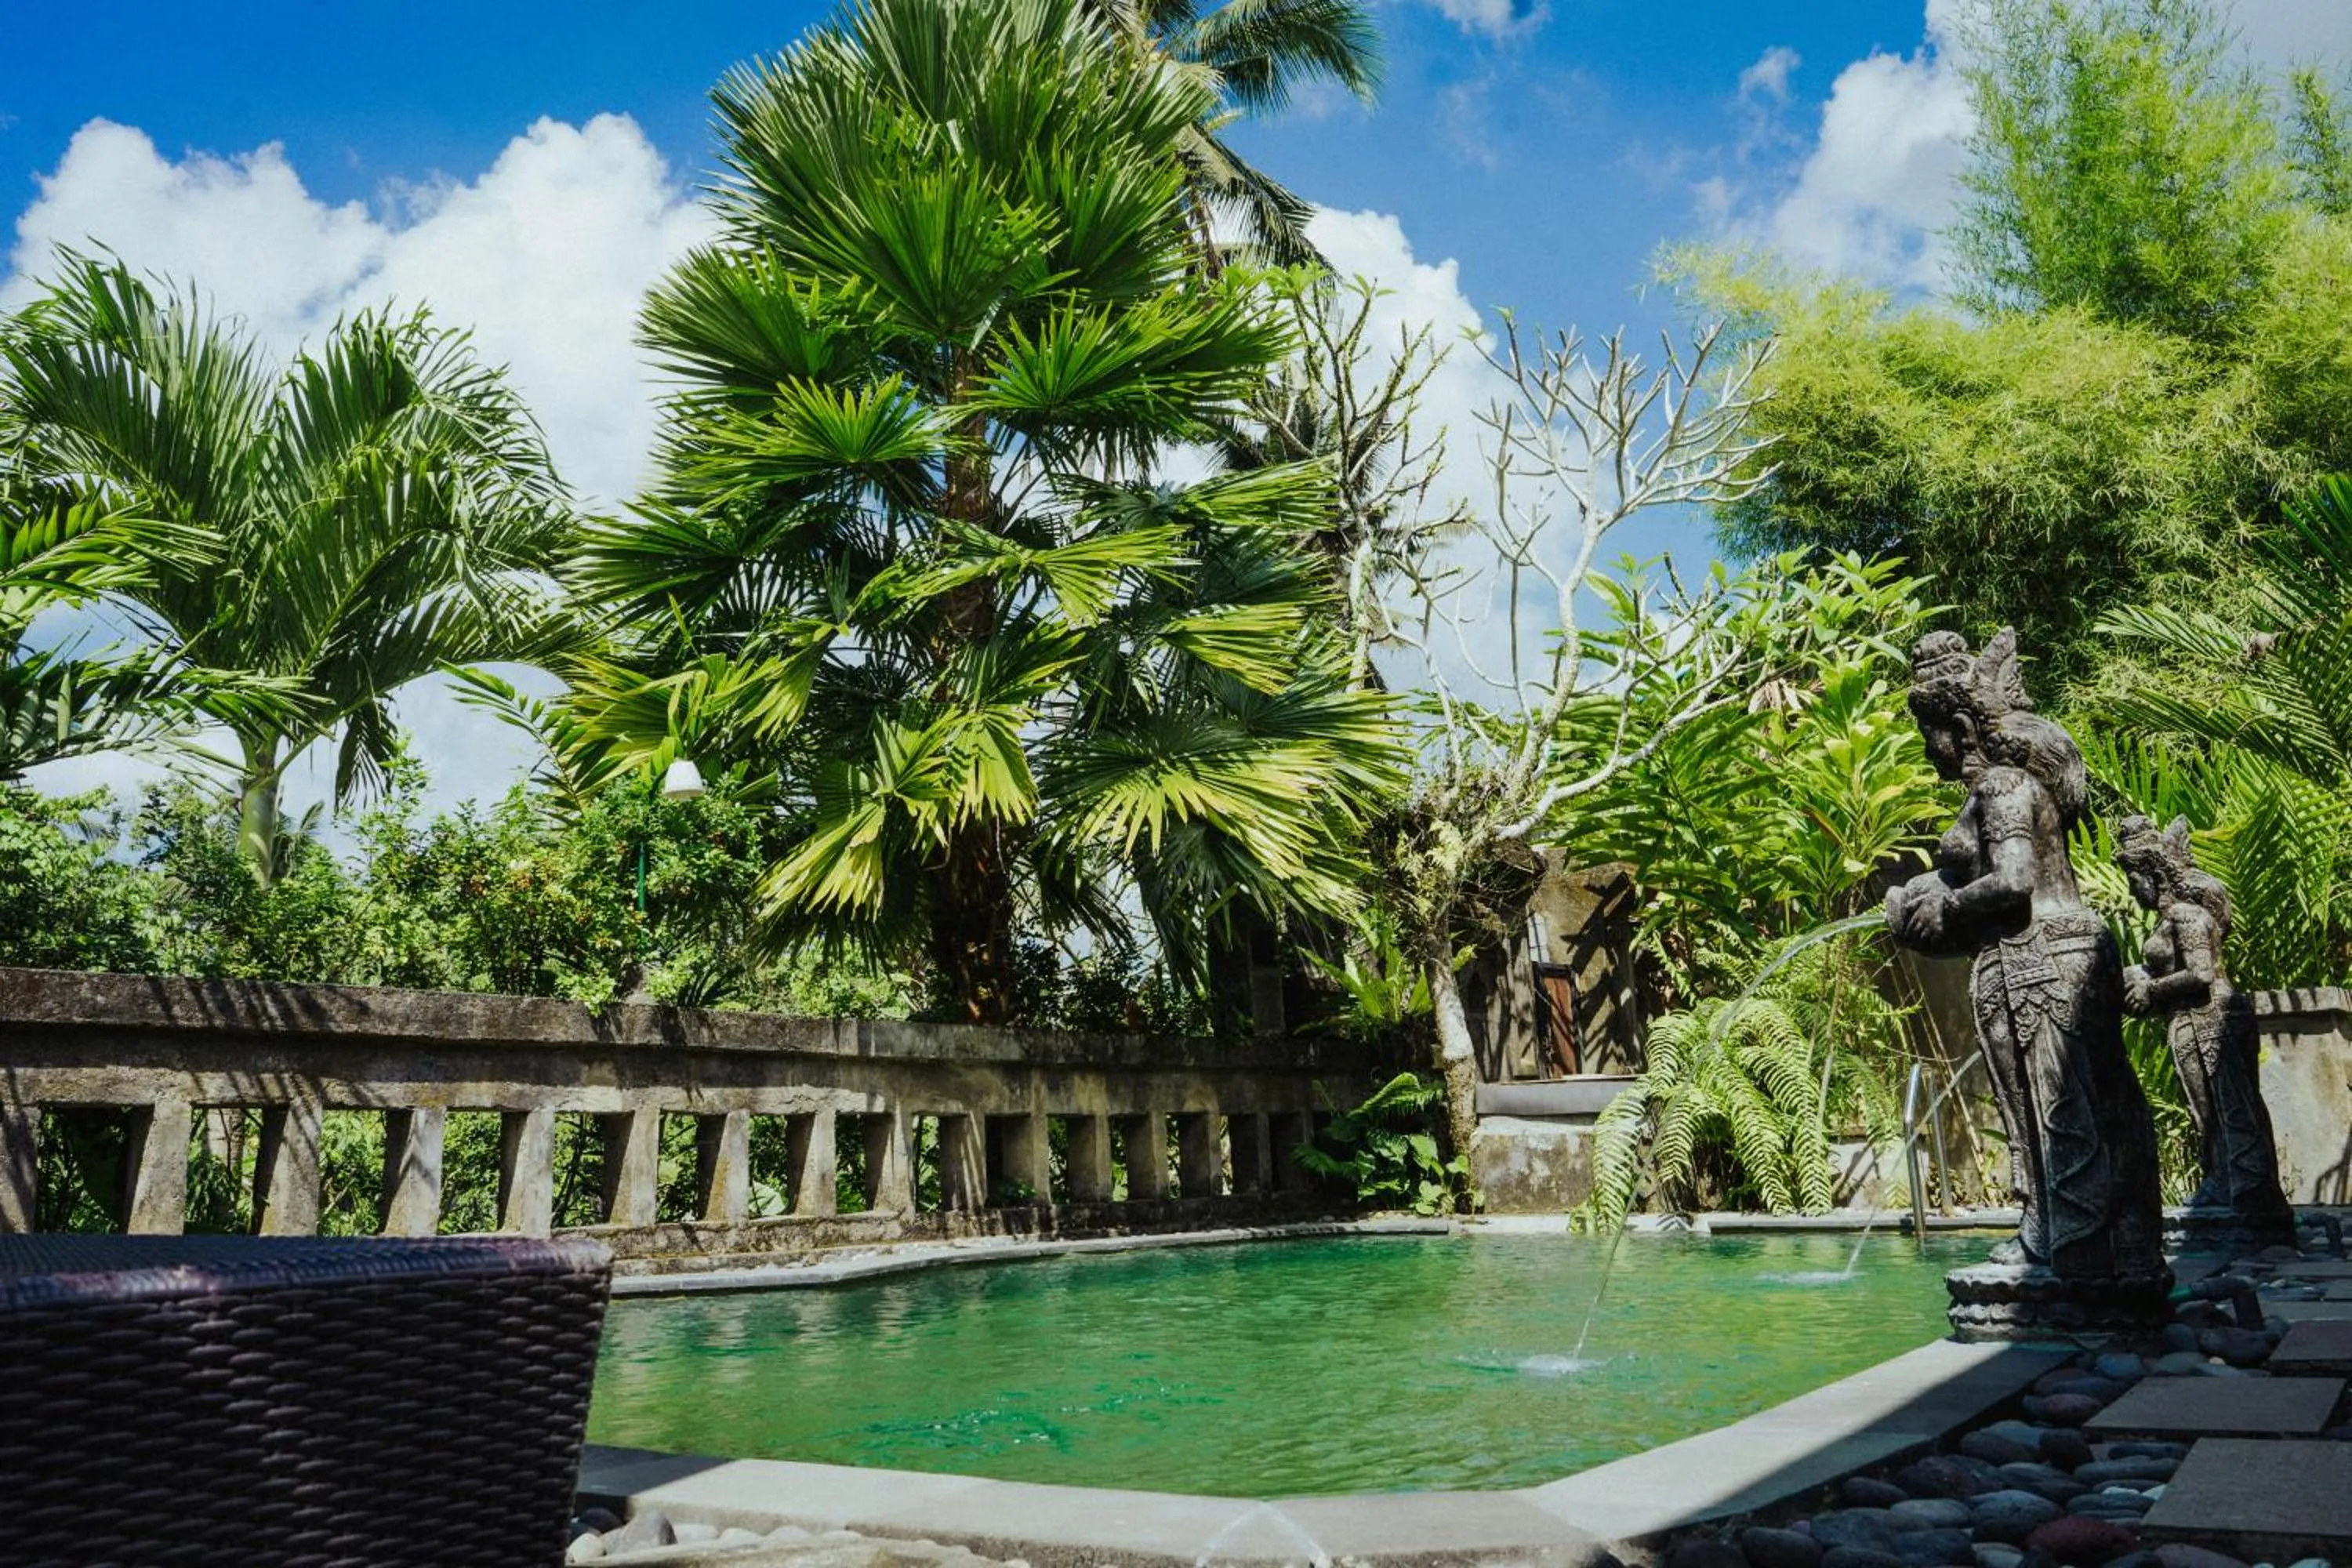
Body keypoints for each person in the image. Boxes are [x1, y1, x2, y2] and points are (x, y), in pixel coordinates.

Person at [1885, 629, 2163, 1279]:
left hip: (2037, 958)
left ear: (1956, 725)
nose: (1929, 751)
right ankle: (2116, 1243)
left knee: (2053, 1104)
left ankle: (2073, 1248)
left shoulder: (2002, 788)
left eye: (1930, 733)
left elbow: (2013, 880)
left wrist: (1943, 904)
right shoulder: (2015, 787)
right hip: (2064, 949)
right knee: (2093, 1099)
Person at [2118, 815, 2295, 1237]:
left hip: (2213, 1017)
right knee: (2207, 1109)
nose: (2130, 888)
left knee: (2232, 1106)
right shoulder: (2168, 921)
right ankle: (2221, 1181)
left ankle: (2251, 1192)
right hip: (2190, 1020)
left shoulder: (2186, 917)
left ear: (2154, 874)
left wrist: (2152, 990)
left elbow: (2200, 974)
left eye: (2134, 877)